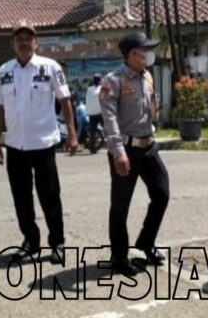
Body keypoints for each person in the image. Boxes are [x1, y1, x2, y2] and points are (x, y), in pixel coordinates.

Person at [0, 20, 78, 265]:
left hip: (43, 144)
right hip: (15, 145)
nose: (24, 43)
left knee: (49, 196)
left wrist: (72, 134)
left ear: (36, 42)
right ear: (12, 44)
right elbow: (0, 108)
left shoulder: (50, 67)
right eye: (19, 39)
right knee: (21, 197)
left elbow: (65, 101)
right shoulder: (4, 71)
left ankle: (57, 242)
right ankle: (30, 241)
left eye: (28, 38)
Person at [100, 32, 169, 276]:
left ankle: (146, 242)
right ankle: (119, 257)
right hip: (125, 150)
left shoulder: (147, 76)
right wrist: (118, 152)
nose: (149, 54)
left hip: (148, 146)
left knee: (161, 194)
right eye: (145, 50)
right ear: (132, 54)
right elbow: (109, 120)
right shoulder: (114, 81)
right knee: (120, 206)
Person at [85, 73, 104, 153]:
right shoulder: (101, 88)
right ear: (99, 80)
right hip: (100, 113)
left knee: (92, 131)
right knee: (108, 129)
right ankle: (112, 146)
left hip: (91, 113)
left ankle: (92, 149)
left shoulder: (89, 89)